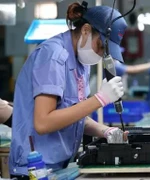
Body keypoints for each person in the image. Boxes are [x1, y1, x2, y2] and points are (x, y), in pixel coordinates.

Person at [9, 3, 128, 178]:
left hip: (60, 167)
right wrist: (100, 99)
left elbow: (73, 115)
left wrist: (105, 131)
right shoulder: (54, 56)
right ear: (86, 30)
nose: (102, 54)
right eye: (101, 46)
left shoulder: (81, 61)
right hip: (35, 170)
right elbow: (43, 123)